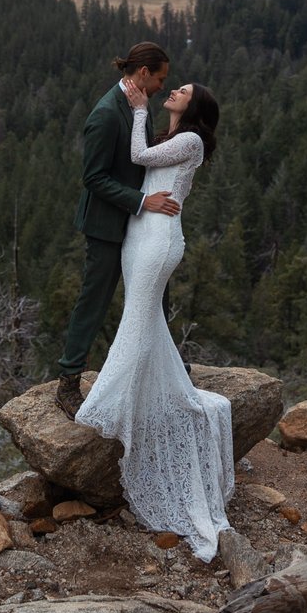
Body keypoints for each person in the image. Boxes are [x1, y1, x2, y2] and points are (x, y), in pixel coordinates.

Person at [75, 76, 234, 562]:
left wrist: (139, 109)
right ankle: (137, 395)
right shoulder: (176, 136)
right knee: (144, 321)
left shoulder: (188, 139)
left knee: (139, 320)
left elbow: (141, 160)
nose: (175, 92)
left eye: (182, 91)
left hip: (159, 237)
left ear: (195, 106)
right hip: (142, 233)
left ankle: (111, 405)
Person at [56, 42, 180, 420]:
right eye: (160, 78)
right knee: (94, 300)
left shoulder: (134, 106)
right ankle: (68, 382)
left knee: (156, 292)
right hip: (107, 226)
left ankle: (167, 371)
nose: (162, 86)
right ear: (143, 74)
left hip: (138, 224)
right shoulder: (107, 114)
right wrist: (143, 202)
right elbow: (93, 178)